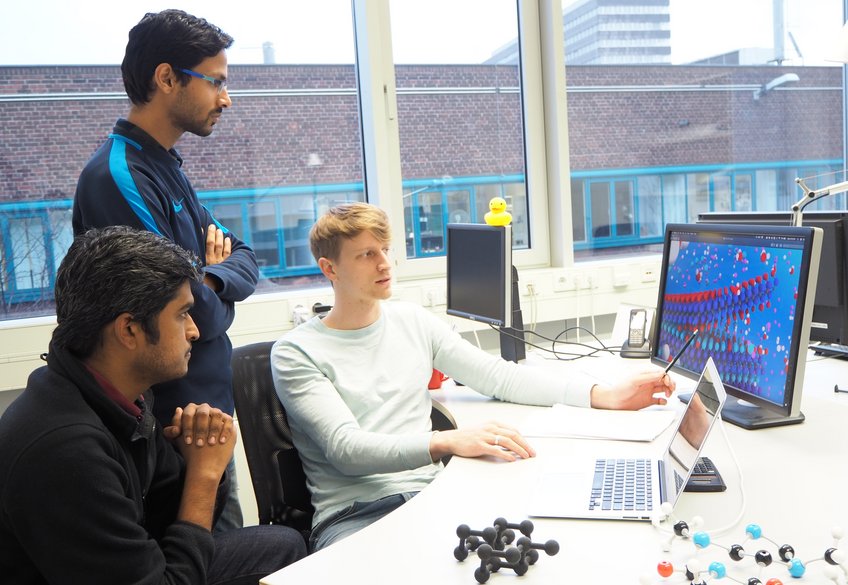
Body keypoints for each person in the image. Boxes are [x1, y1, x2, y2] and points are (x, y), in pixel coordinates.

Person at [271, 202, 676, 551]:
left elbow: (498, 377)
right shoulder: (296, 352)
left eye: (386, 250)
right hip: (356, 516)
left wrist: (601, 394)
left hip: (433, 497)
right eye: (365, 255)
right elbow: (347, 450)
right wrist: (446, 440)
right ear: (330, 268)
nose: (384, 264)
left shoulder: (411, 321)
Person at [0, 227, 305, 584]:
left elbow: (169, 517)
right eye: (181, 314)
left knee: (282, 546)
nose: (194, 331)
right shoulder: (65, 449)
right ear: (129, 331)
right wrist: (204, 475)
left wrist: (197, 457)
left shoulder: (124, 396)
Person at [72, 9, 255, 532]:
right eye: (215, 82)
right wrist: (205, 287)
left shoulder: (165, 166)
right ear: (167, 78)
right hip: (172, 431)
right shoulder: (120, 177)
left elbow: (243, 255)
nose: (226, 98)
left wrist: (212, 276)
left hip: (207, 419)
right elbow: (196, 316)